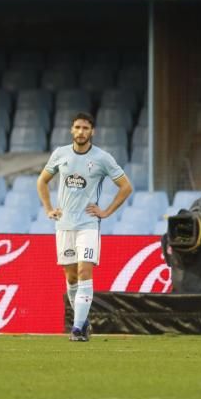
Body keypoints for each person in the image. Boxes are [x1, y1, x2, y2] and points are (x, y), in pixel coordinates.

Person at [37, 112, 132, 342]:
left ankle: (77, 327)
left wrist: (106, 212)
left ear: (93, 132)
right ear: (72, 130)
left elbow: (125, 186)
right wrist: (49, 208)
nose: (81, 132)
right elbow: (42, 181)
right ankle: (83, 320)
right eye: (77, 127)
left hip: (88, 225)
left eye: (85, 128)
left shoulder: (102, 158)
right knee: (71, 278)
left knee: (83, 272)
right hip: (64, 225)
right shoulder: (60, 154)